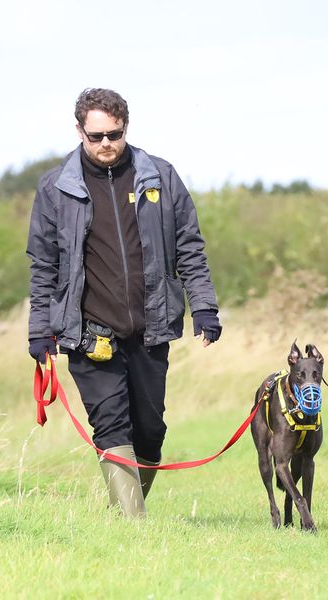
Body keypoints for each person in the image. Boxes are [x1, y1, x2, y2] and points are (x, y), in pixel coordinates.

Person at [26, 88, 221, 518]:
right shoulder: (55, 189)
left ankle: (122, 512)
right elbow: (43, 266)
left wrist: (204, 306)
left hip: (151, 331)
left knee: (150, 432)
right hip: (90, 334)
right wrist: (41, 330)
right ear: (79, 131)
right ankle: (132, 531)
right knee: (112, 426)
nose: (105, 144)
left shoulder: (161, 177)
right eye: (95, 136)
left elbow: (190, 246)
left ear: (125, 128)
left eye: (113, 134)